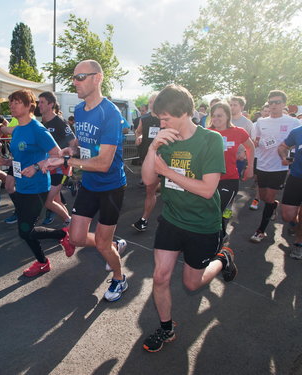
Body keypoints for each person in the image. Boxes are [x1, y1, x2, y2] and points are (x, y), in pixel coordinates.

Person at [141, 84, 237, 352]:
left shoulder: (210, 140)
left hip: (202, 225)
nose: (161, 123)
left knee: (191, 283)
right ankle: (166, 328)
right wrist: (152, 150)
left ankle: (222, 258)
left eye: (166, 118)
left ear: (184, 113)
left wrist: (168, 173)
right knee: (160, 277)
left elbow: (208, 190)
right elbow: (149, 180)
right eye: (159, 117)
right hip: (171, 219)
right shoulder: (165, 140)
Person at [45, 60, 128, 302]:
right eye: (74, 77)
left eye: (80, 77)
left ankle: (120, 278)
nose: (75, 82)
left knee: (103, 246)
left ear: (97, 78)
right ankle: (113, 244)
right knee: (76, 238)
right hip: (90, 184)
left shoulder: (110, 113)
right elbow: (83, 146)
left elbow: (103, 163)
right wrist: (68, 152)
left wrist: (66, 163)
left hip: (111, 187)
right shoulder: (80, 111)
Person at [0, 89, 75, 277]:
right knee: (25, 230)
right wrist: (5, 162)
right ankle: (47, 255)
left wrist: (37, 167)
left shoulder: (38, 130)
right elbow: (21, 157)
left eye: (17, 102)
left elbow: (56, 154)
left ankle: (58, 241)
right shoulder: (19, 129)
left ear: (29, 106)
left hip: (37, 186)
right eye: (11, 102)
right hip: (22, 185)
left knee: (25, 230)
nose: (12, 106)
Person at [250, 90, 300, 243]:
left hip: (280, 167)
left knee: (269, 196)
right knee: (265, 198)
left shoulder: (293, 122)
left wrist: (288, 159)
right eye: (271, 102)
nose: (274, 105)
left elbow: (297, 143)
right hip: (263, 165)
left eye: (277, 102)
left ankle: (261, 230)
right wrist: (258, 143)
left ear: (284, 104)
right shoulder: (261, 122)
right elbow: (255, 141)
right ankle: (273, 206)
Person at [209, 102, 254, 242]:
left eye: (220, 115)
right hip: (209, 178)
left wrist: (250, 166)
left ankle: (220, 235)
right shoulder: (206, 132)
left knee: (220, 208)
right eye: (214, 115)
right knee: (218, 209)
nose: (216, 118)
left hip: (230, 178)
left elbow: (250, 147)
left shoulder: (238, 132)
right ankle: (220, 231)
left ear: (228, 116)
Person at [38, 91, 75, 227]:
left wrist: (65, 160)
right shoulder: (43, 123)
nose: (39, 105)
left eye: (42, 102)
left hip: (61, 169)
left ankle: (70, 222)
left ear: (51, 104)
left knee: (48, 201)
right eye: (39, 102)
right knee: (56, 201)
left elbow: (73, 144)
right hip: (49, 167)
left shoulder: (60, 122)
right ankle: (69, 225)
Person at [132, 92, 160, 232]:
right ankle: (144, 219)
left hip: (166, 159)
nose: (152, 104)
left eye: (155, 101)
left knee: (171, 191)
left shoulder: (168, 119)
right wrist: (139, 136)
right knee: (150, 189)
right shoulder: (145, 118)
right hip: (149, 158)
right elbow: (138, 131)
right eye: (150, 102)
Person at [277, 125, 302, 258]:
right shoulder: (297, 131)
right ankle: (295, 225)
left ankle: (299, 243)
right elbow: (282, 147)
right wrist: (284, 157)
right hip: (296, 178)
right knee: (287, 216)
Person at [249, 103, 270, 210]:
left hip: (272, 159)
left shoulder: (275, 125)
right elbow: (252, 142)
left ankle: (269, 204)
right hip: (258, 156)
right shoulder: (255, 125)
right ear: (261, 112)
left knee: (267, 186)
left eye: (268, 111)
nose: (267, 113)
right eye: (265, 111)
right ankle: (257, 199)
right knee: (258, 180)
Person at [230, 96, 254, 179]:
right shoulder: (225, 120)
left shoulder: (247, 123)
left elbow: (252, 141)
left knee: (234, 180)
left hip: (239, 159)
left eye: (235, 105)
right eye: (231, 105)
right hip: (224, 157)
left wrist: (244, 152)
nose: (232, 107)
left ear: (242, 107)